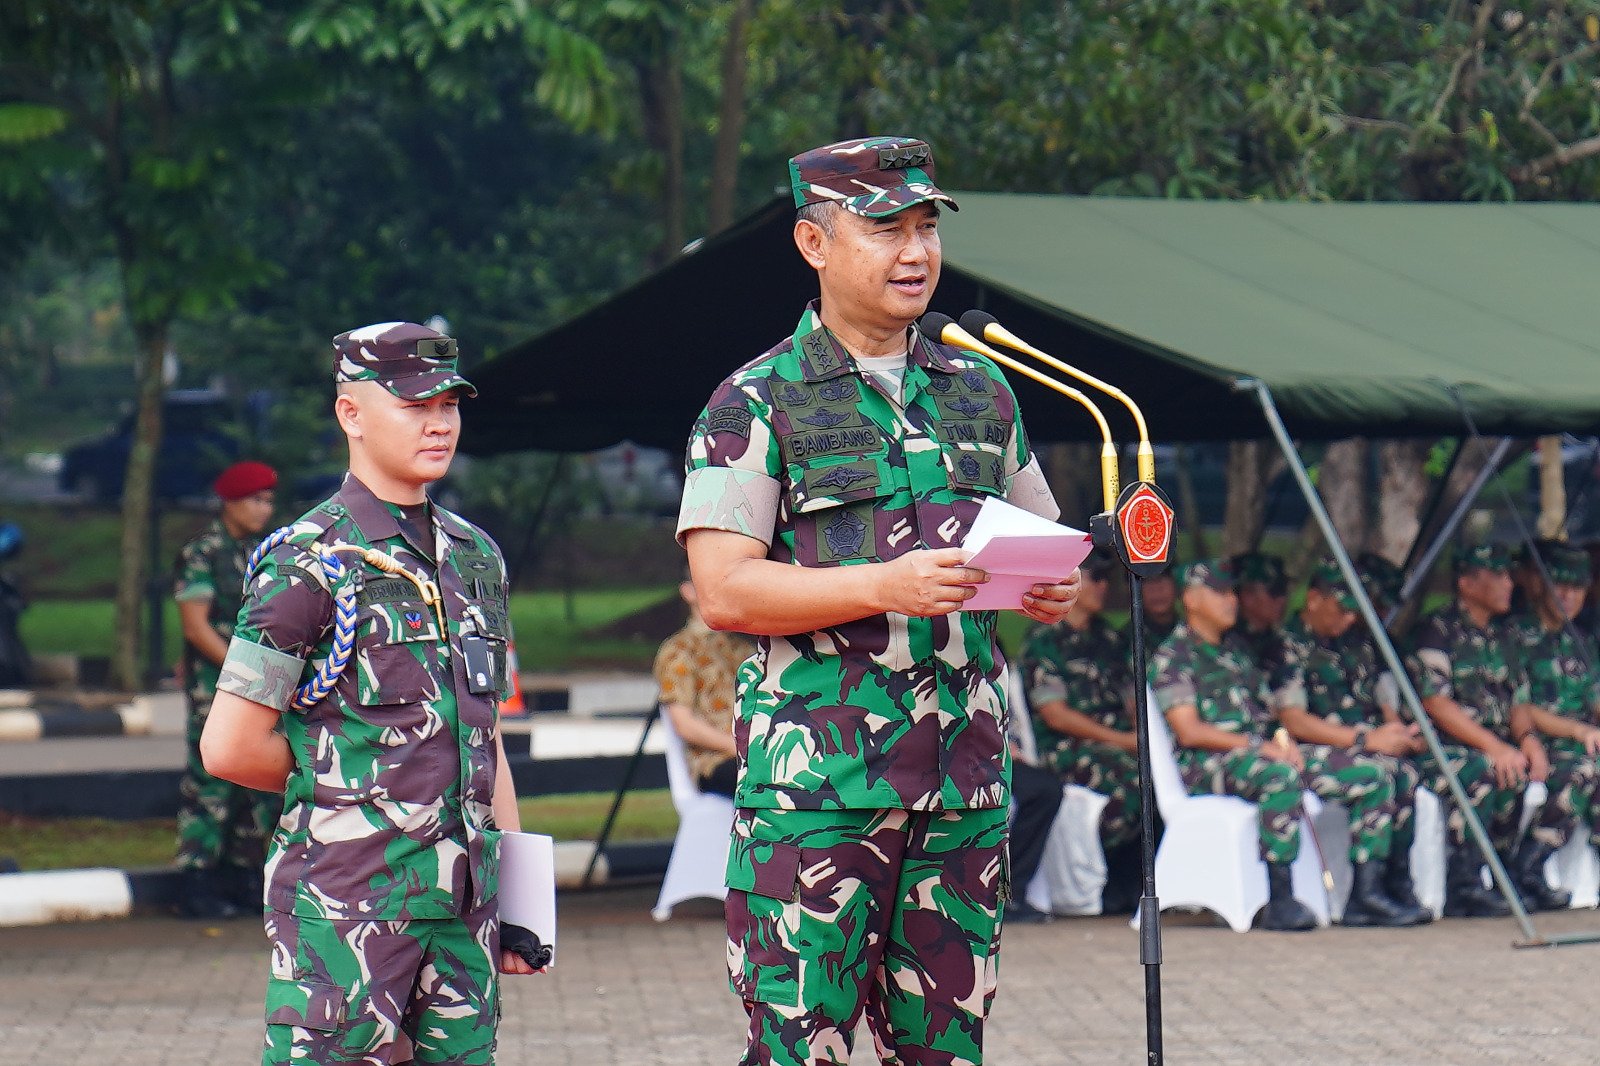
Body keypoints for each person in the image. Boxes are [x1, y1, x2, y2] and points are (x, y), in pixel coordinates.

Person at [678, 135, 1079, 1066]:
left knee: (945, 1051)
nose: (915, 252)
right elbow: (725, 590)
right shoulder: (754, 402)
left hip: (964, 784)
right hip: (822, 791)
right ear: (814, 243)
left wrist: (1050, 586)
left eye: (927, 227)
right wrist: (881, 585)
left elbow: (1038, 537)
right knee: (800, 1049)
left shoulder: (981, 388)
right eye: (886, 229)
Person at [200, 321, 539, 1066]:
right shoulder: (307, 560)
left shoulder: (475, 556)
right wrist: (353, 783)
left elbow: (484, 740)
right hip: (349, 906)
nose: (439, 423)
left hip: (463, 911)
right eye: (415, 405)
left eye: (449, 405)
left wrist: (520, 899)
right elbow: (229, 746)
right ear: (350, 413)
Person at [1150, 558, 1403, 931]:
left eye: (1232, 592)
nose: (1231, 600)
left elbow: (1269, 714)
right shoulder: (1173, 656)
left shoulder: (1236, 652)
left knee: (1371, 774)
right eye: (1219, 593)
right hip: (1207, 763)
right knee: (1279, 777)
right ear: (1191, 599)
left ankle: (1365, 895)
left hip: (1258, 753)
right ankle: (1280, 899)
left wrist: (1283, 743)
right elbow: (1190, 732)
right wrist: (1259, 747)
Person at [1268, 559, 1427, 924]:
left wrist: (1398, 732)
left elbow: (1381, 702)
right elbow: (1293, 719)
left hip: (1356, 746)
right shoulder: (1287, 645)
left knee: (1405, 773)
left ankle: (1393, 880)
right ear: (1314, 599)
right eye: (1341, 609)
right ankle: (1364, 895)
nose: (1350, 619)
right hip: (1302, 751)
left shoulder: (1354, 644)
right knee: (1374, 776)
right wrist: (1366, 739)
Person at [1406, 543, 1547, 917]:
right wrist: (1493, 747)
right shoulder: (1437, 631)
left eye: (1508, 575)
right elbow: (1436, 704)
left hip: (1493, 743)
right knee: (1483, 769)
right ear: (1466, 584)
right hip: (1441, 747)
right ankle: (1463, 883)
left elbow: (1518, 702)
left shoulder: (1504, 635)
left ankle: (1503, 875)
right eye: (1497, 575)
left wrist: (1528, 741)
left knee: (1518, 768)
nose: (1509, 583)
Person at [172, 460, 282, 919]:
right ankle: (195, 878)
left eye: (269, 501)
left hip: (257, 685)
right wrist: (247, 671)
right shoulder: (203, 552)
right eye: (256, 500)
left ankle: (242, 876)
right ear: (231, 502)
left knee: (253, 783)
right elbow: (196, 627)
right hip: (215, 688)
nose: (264, 509)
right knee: (210, 783)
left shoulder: (263, 552)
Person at [1018, 553, 1143, 909]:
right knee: (1130, 779)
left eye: (1106, 579)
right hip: (1066, 747)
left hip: (1120, 742)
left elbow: (1132, 699)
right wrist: (1124, 741)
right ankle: (1109, 877)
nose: (1103, 586)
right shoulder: (1045, 639)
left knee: (1157, 777)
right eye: (1095, 578)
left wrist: (1138, 735)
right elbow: (1056, 715)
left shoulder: (1109, 638)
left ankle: (1128, 881)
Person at [1504, 542, 1600, 906]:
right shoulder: (1515, 636)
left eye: (1577, 588)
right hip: (1535, 741)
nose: (1569, 597)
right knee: (1582, 770)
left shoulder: (1581, 641)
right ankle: (1529, 865)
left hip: (1582, 739)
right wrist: (1578, 730)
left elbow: (1594, 697)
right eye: (1561, 586)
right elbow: (1521, 706)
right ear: (1540, 584)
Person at [654, 571, 755, 797]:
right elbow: (684, 724)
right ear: (687, 591)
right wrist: (738, 746)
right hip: (715, 761)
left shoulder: (742, 647)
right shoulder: (678, 651)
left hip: (756, 754)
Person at [1227, 550, 1288, 667]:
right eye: (1275, 592)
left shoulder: (1280, 643)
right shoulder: (1226, 644)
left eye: (1283, 591)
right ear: (1247, 596)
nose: (1282, 599)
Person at [1141, 569, 1180, 646]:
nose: (1156, 590)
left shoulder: (1195, 632)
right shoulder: (1125, 641)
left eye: (1163, 580)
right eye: (1147, 582)